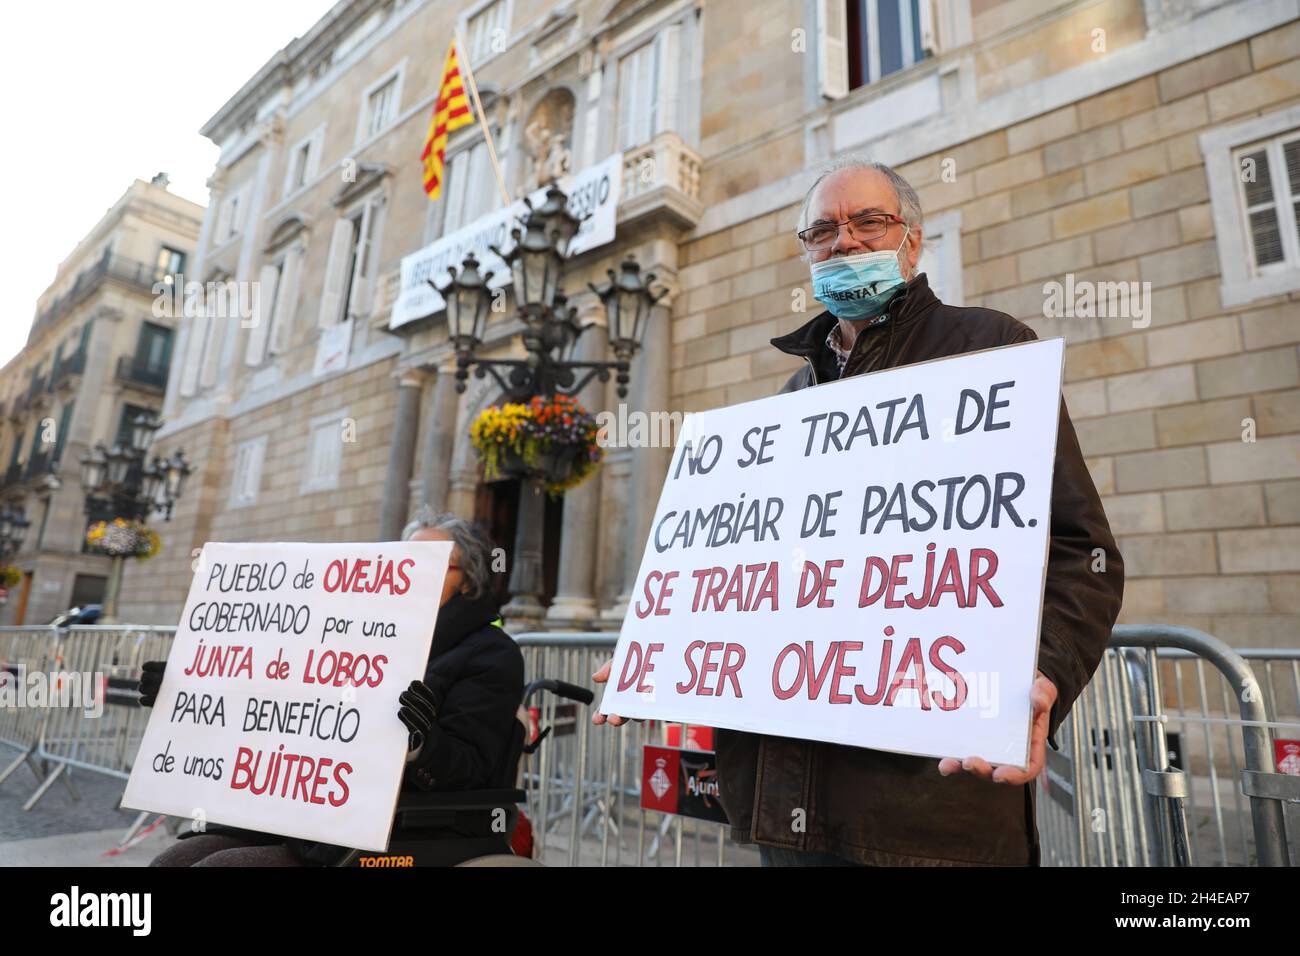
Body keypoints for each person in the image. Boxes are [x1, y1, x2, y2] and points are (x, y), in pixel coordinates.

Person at [594, 155, 1124, 867]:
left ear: (912, 239)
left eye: (868, 222)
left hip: (926, 808)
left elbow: (1080, 550)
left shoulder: (989, 350)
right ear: (806, 252)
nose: (843, 242)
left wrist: (1045, 673)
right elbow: (752, 573)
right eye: (822, 231)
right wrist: (662, 653)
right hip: (786, 802)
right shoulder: (789, 402)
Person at [146, 509, 524, 866]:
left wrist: (421, 743)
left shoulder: (491, 654)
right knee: (172, 861)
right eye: (406, 560)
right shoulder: (352, 633)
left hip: (399, 823)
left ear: (468, 579)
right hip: (303, 812)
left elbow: (469, 767)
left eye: (431, 562)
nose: (414, 572)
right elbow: (274, 703)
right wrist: (188, 690)